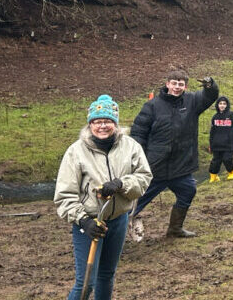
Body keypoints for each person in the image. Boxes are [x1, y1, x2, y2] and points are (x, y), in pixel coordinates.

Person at [54, 95, 152, 300]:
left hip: (118, 220)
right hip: (89, 223)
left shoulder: (131, 146)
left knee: (106, 275)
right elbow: (64, 196)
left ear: (115, 124)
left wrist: (122, 184)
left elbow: (144, 177)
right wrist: (84, 221)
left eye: (107, 121)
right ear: (90, 124)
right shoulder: (76, 152)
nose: (102, 126)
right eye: (97, 122)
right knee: (86, 282)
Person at [129, 69, 218, 239]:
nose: (177, 87)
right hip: (155, 167)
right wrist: (139, 158)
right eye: (174, 83)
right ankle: (113, 233)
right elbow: (139, 132)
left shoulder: (192, 101)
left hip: (181, 167)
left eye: (181, 84)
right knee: (134, 202)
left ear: (185, 86)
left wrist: (210, 85)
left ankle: (175, 229)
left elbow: (210, 96)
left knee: (188, 191)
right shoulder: (152, 106)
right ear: (167, 84)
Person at [208, 96, 233, 182]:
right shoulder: (215, 117)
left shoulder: (231, 115)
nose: (222, 105)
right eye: (220, 103)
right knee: (215, 161)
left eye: (224, 104)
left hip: (229, 143)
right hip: (217, 144)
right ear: (217, 105)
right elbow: (212, 132)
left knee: (227, 159)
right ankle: (214, 176)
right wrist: (211, 145)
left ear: (227, 105)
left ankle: (231, 172)